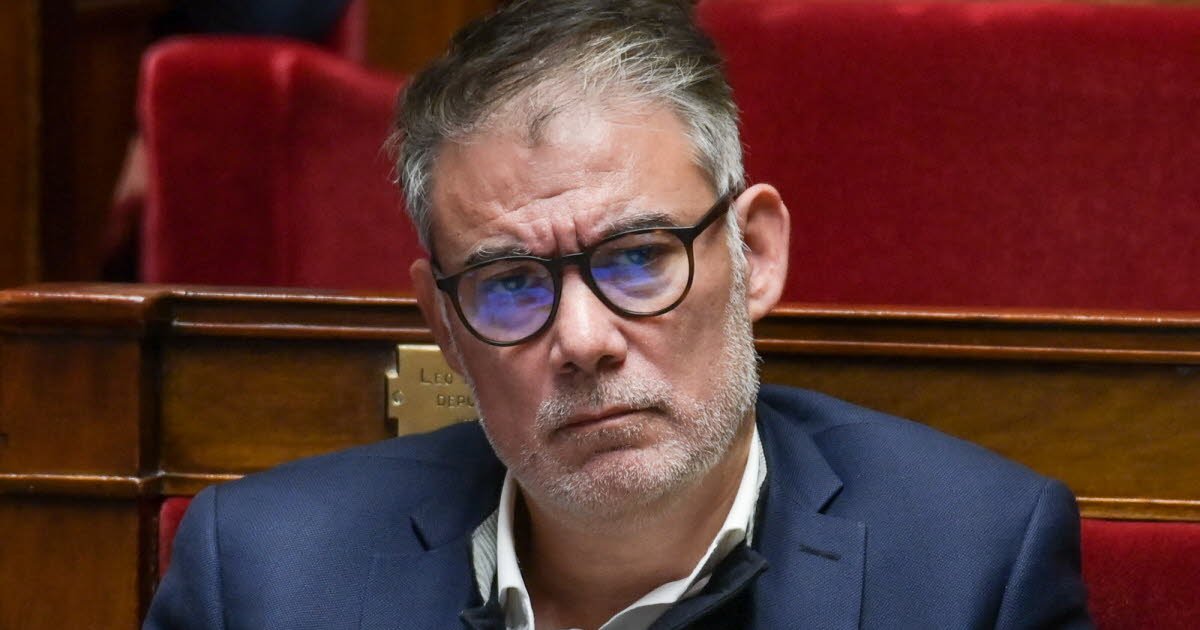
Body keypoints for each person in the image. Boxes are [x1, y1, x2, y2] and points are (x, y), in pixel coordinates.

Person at [144, 1, 1092, 628]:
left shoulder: (972, 566)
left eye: (637, 259)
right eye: (511, 284)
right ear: (444, 327)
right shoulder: (264, 577)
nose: (584, 341)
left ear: (755, 255)